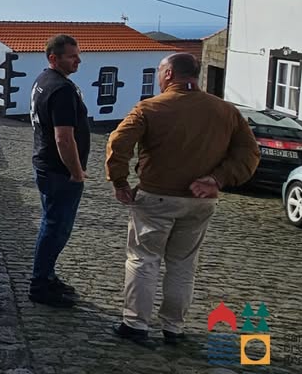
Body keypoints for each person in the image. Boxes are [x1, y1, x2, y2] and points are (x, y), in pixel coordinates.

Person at [105, 52, 259, 345]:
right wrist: (218, 179)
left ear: (169, 75)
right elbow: (249, 154)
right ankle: (173, 328)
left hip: (156, 198)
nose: (161, 77)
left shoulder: (150, 108)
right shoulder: (226, 111)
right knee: (183, 264)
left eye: (161, 72)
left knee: (143, 259)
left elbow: (118, 143)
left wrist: (120, 181)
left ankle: (135, 325)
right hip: (201, 201)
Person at [28, 34, 91, 307]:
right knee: (56, 228)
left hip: (47, 166)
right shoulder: (62, 89)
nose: (78, 60)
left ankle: (47, 275)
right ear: (53, 58)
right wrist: (76, 172)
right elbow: (63, 138)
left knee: (51, 224)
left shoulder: (43, 80)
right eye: (71, 56)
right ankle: (40, 284)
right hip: (59, 171)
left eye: (78, 54)